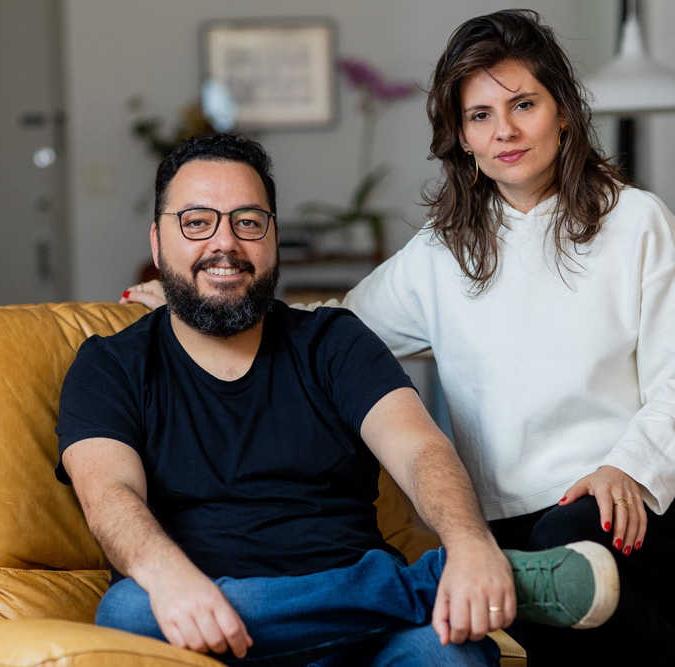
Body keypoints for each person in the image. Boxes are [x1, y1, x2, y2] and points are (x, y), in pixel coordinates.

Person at [121, 11, 675, 667]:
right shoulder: (442, 253)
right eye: (481, 115)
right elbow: (332, 327)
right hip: (508, 524)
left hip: (637, 500)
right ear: (461, 136)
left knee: (552, 554)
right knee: (531, 575)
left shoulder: (637, 222)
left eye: (525, 104)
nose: (506, 131)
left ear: (565, 112)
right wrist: (202, 291)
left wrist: (627, 468)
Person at [59, 133, 619, 667]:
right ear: (158, 243)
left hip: (367, 643)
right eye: (197, 222)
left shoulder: (334, 342)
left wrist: (471, 545)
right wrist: (169, 577)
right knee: (130, 608)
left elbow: (420, 449)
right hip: (197, 630)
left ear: (273, 238)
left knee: (444, 650)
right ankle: (428, 585)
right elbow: (108, 493)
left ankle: (434, 586)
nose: (224, 243)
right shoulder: (110, 366)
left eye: (248, 222)